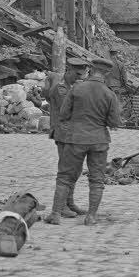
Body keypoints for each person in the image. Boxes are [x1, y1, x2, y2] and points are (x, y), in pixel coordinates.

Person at [54, 56, 122, 226]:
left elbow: (63, 114)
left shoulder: (77, 88)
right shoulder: (110, 94)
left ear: (91, 69)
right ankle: (91, 216)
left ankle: (55, 214)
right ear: (106, 74)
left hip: (76, 138)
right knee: (97, 179)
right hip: (99, 140)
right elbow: (114, 122)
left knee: (65, 176)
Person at [43, 57, 87, 220]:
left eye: (81, 75)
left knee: (75, 169)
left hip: (72, 133)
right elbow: (70, 109)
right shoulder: (61, 89)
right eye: (76, 74)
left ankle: (69, 202)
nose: (79, 78)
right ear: (68, 71)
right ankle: (60, 207)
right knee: (67, 169)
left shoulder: (71, 87)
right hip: (63, 133)